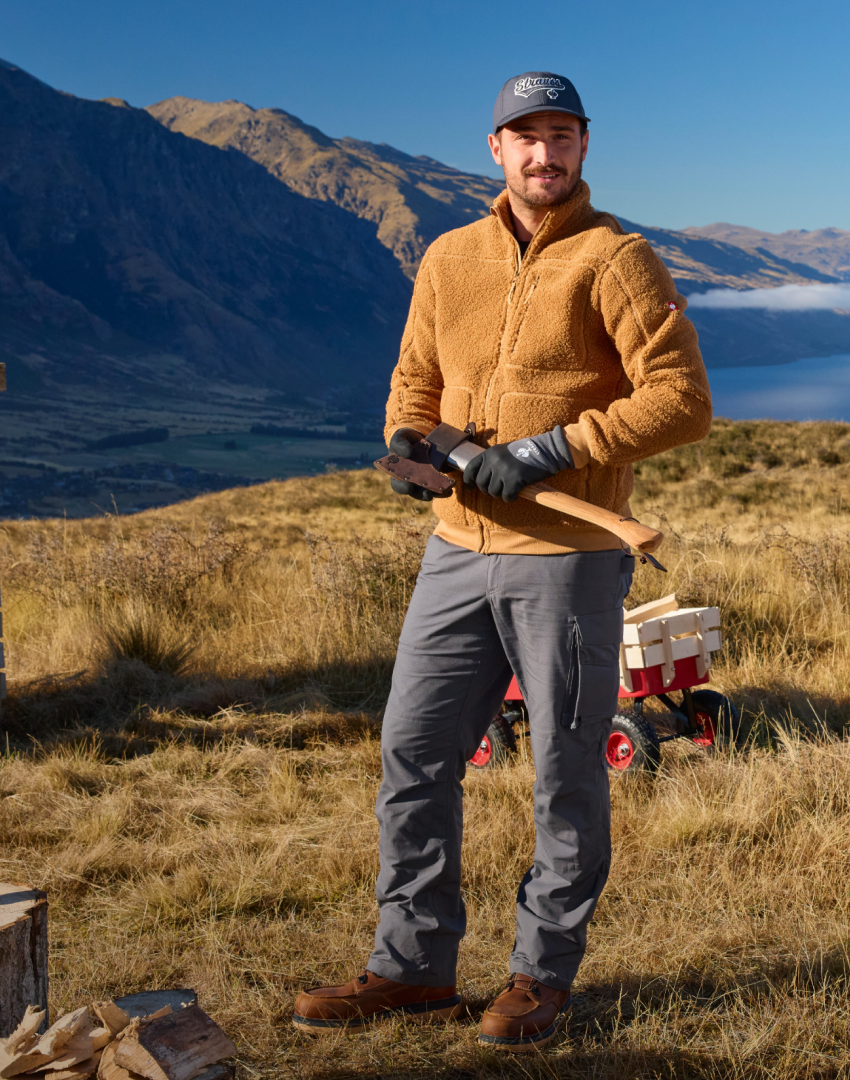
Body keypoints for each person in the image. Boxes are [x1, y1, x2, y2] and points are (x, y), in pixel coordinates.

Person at [289, 71, 714, 1052]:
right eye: (524, 136)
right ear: (494, 148)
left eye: (560, 134)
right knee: (412, 754)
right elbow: (415, 377)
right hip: (454, 552)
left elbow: (680, 402)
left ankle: (539, 975)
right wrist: (409, 446)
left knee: (565, 771)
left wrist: (548, 452)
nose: (542, 154)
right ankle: (411, 968)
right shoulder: (448, 257)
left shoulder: (617, 259)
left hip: (565, 558)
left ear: (584, 145)